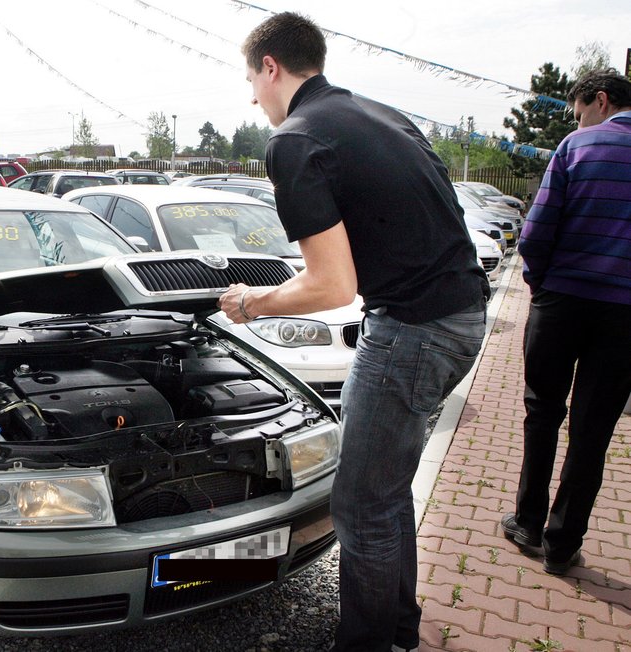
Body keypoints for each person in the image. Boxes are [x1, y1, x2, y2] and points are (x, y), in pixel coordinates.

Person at [218, 13, 489, 651]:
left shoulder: (295, 138)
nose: (252, 97)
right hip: (463, 315)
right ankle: (397, 631)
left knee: (361, 506)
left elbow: (332, 287)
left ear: (270, 68)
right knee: (386, 492)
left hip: (413, 331)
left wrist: (253, 302)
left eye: (250, 80)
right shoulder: (381, 114)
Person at [501, 69, 631, 576]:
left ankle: (528, 522)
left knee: (542, 410)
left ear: (600, 101)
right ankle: (562, 544)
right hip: (625, 316)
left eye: (579, 111)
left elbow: (535, 232)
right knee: (593, 430)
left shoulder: (577, 147)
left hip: (562, 302)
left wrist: (540, 286)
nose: (577, 120)